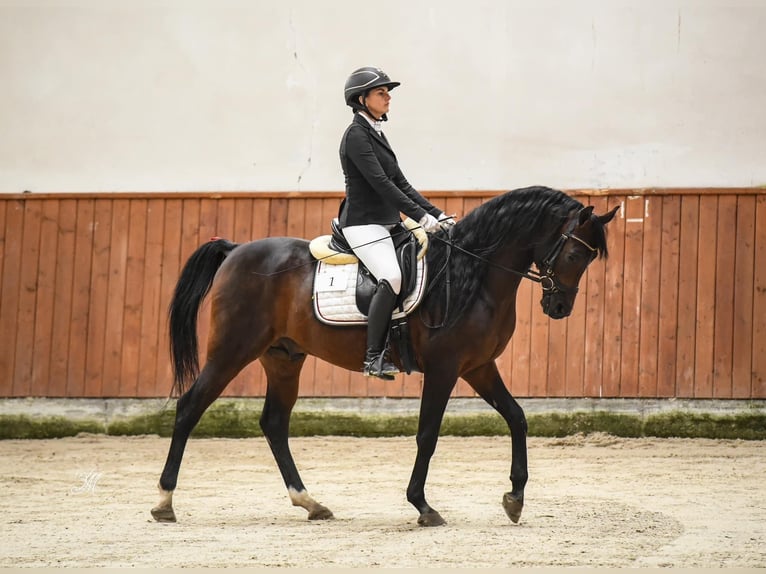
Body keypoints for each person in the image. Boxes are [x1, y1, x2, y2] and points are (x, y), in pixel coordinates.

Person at [338, 66, 455, 380]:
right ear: (362, 98)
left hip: (389, 223)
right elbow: (381, 184)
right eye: (381, 92)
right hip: (363, 224)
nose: (388, 97)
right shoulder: (355, 135)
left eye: (387, 92)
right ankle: (373, 357)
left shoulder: (376, 132)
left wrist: (438, 215)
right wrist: (421, 217)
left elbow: (402, 184)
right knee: (391, 276)